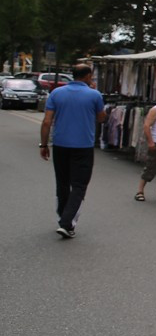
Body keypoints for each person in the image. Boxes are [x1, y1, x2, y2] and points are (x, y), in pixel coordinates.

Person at [38, 64, 105, 238]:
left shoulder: (56, 93)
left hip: (60, 144)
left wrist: (43, 145)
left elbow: (46, 122)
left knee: (62, 182)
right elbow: (101, 118)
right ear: (88, 76)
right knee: (79, 185)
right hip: (83, 146)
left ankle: (63, 216)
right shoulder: (94, 95)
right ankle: (67, 223)